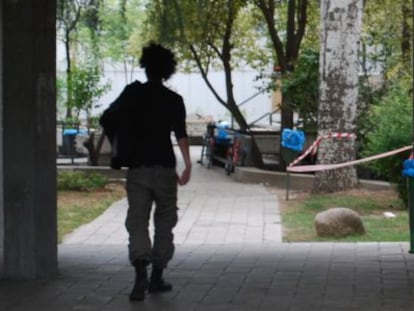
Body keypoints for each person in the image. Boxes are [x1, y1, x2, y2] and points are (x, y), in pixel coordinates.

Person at [99, 43, 191, 302]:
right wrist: (188, 165)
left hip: (138, 169)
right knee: (165, 220)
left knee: (137, 220)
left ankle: (140, 272)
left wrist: (122, 141)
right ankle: (157, 276)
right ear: (168, 70)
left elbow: (107, 118)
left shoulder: (131, 94)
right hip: (164, 169)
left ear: (145, 65)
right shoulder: (174, 100)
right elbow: (181, 135)